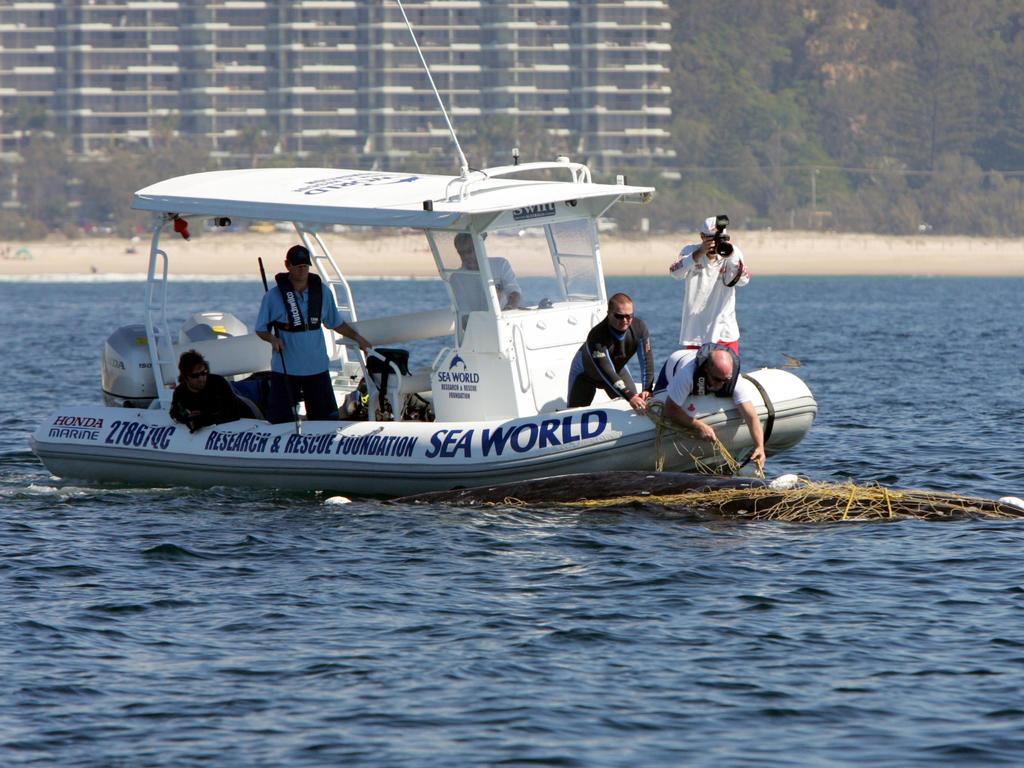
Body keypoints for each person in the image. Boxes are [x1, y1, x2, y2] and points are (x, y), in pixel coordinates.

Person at [256, 244, 372, 423]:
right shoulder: (273, 296)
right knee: (280, 419)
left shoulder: (323, 292)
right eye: (298, 265)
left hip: (317, 368)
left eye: (305, 266)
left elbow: (336, 323)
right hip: (286, 369)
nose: (302, 270)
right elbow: (260, 329)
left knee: (326, 419)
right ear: (288, 265)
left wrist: (359, 339)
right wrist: (272, 339)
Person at [661, 343, 766, 470]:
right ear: (706, 369)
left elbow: (751, 416)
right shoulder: (687, 374)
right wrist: (699, 425)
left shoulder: (734, 379)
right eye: (717, 379)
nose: (721, 384)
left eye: (725, 381)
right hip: (674, 364)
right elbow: (669, 410)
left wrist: (760, 446)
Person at [668, 213, 749, 356]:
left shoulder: (733, 253)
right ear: (702, 237)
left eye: (720, 239)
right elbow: (675, 272)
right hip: (695, 333)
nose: (715, 243)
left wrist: (731, 257)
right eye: (710, 239)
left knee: (727, 374)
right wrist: (698, 254)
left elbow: (743, 281)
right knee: (696, 377)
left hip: (725, 332)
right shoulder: (690, 251)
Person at [567, 292, 653, 412]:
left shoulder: (639, 328)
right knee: (573, 413)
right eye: (619, 316)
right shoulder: (596, 336)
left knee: (635, 404)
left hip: (617, 370)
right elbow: (606, 371)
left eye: (629, 316)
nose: (624, 320)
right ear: (609, 314)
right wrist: (629, 396)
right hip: (585, 376)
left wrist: (647, 389)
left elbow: (647, 363)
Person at [170, 350, 248, 433]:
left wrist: (204, 419)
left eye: (203, 373)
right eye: (195, 376)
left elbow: (234, 412)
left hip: (247, 410)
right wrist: (188, 418)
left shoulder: (218, 382)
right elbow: (174, 412)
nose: (201, 379)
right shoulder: (180, 392)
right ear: (186, 377)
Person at [450, 232, 521, 312]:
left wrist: (507, 311)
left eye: (469, 251)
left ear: (479, 247)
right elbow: (464, 311)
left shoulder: (501, 264)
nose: (466, 256)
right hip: (477, 323)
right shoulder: (456, 278)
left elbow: (514, 293)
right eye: (461, 253)